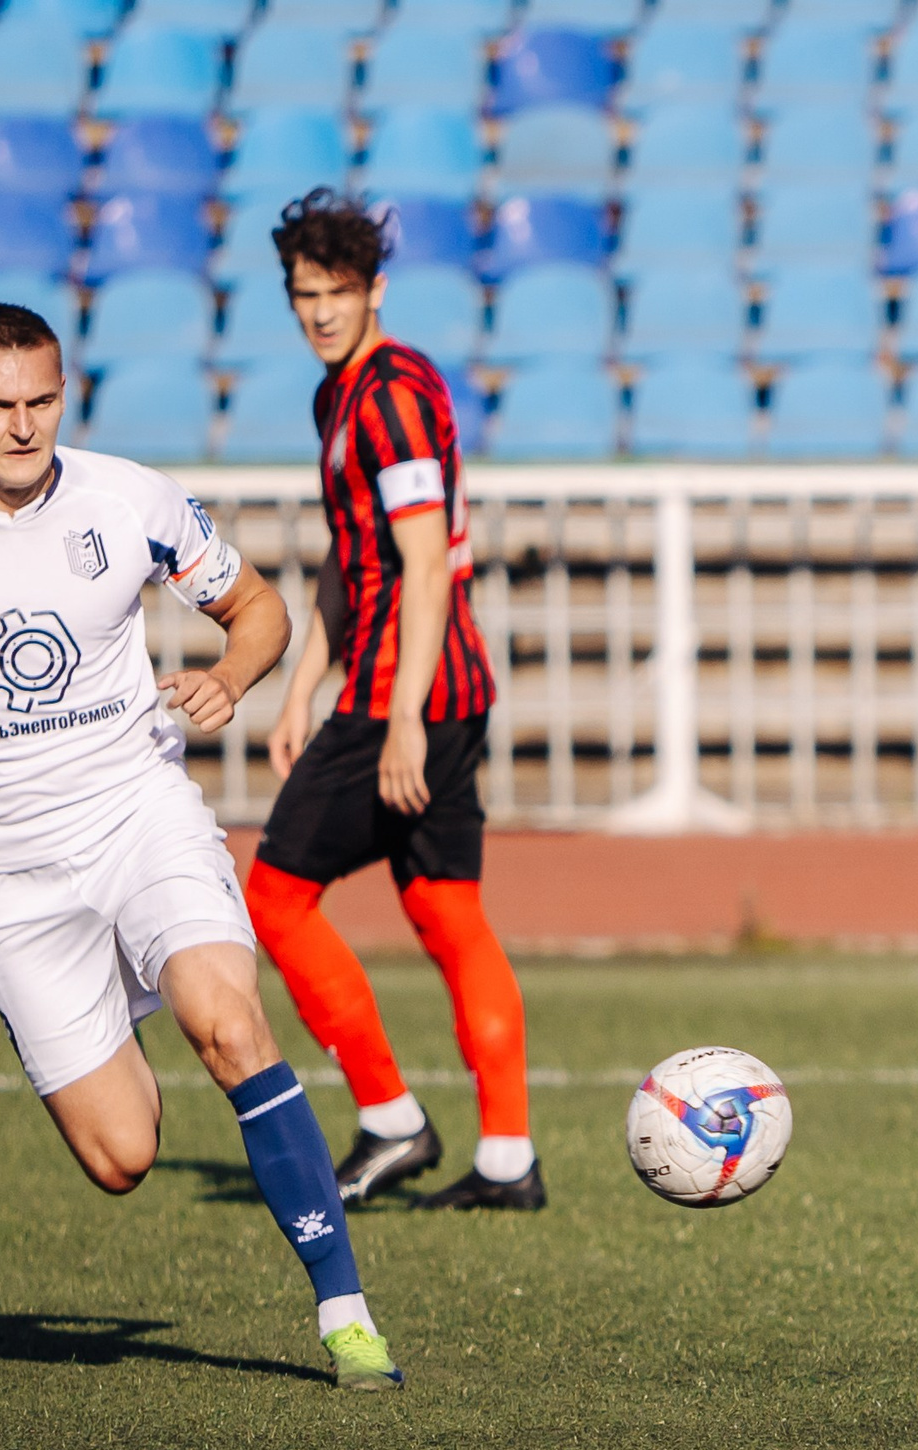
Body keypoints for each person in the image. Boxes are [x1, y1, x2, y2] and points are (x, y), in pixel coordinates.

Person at [0, 302, 402, 1390]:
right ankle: (126, 996)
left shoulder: (128, 498)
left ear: (63, 393)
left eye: (42, 401)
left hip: (136, 809)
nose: (22, 427)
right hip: (5, 865)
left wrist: (228, 677)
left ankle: (345, 1314)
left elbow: (259, 611)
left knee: (229, 1023)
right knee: (121, 1158)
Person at [244, 190, 541, 1211]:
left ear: (376, 290)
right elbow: (352, 556)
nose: (320, 311)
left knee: (275, 895)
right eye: (303, 294)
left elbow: (422, 565)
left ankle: (390, 1118)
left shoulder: (394, 396)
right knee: (445, 908)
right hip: (414, 687)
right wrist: (297, 689)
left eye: (337, 292)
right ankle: (508, 1162)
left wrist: (401, 715)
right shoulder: (341, 395)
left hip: (407, 695)